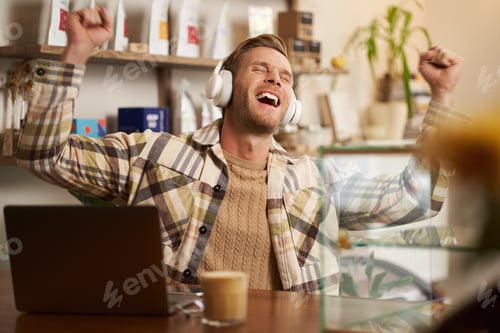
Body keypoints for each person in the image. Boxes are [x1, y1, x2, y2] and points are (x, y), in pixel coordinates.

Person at [16, 7, 468, 293]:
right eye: (261, 69)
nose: (276, 79)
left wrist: (442, 98)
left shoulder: (316, 180)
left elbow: (413, 198)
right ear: (225, 86)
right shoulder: (153, 155)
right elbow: (43, 155)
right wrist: (76, 53)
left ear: (291, 107)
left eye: (286, 77)